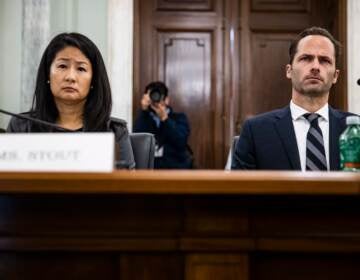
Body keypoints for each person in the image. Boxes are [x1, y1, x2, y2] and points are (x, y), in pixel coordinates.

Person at [232, 26, 355, 171]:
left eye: (324, 60)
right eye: (306, 58)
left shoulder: (355, 129)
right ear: (289, 71)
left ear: (335, 76)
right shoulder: (256, 131)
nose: (315, 66)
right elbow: (240, 191)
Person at [6, 32, 135, 169]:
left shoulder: (114, 131)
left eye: (81, 68)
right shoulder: (21, 127)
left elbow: (127, 187)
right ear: (48, 74)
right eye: (62, 66)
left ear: (93, 80)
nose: (70, 77)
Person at [133, 81, 193, 169]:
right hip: (149, 172)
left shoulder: (180, 118)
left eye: (157, 95)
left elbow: (181, 142)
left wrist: (165, 119)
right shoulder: (144, 119)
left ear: (166, 100)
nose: (155, 98)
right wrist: (144, 111)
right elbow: (138, 141)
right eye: (151, 96)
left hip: (175, 171)